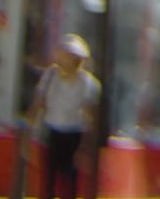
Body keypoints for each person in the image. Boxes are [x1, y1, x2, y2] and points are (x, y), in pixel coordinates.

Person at [27, 33, 99, 199]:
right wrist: (28, 132)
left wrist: (85, 146)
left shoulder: (88, 83)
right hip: (51, 132)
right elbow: (38, 103)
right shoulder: (50, 76)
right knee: (48, 182)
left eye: (71, 56)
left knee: (69, 183)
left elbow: (90, 115)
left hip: (74, 135)